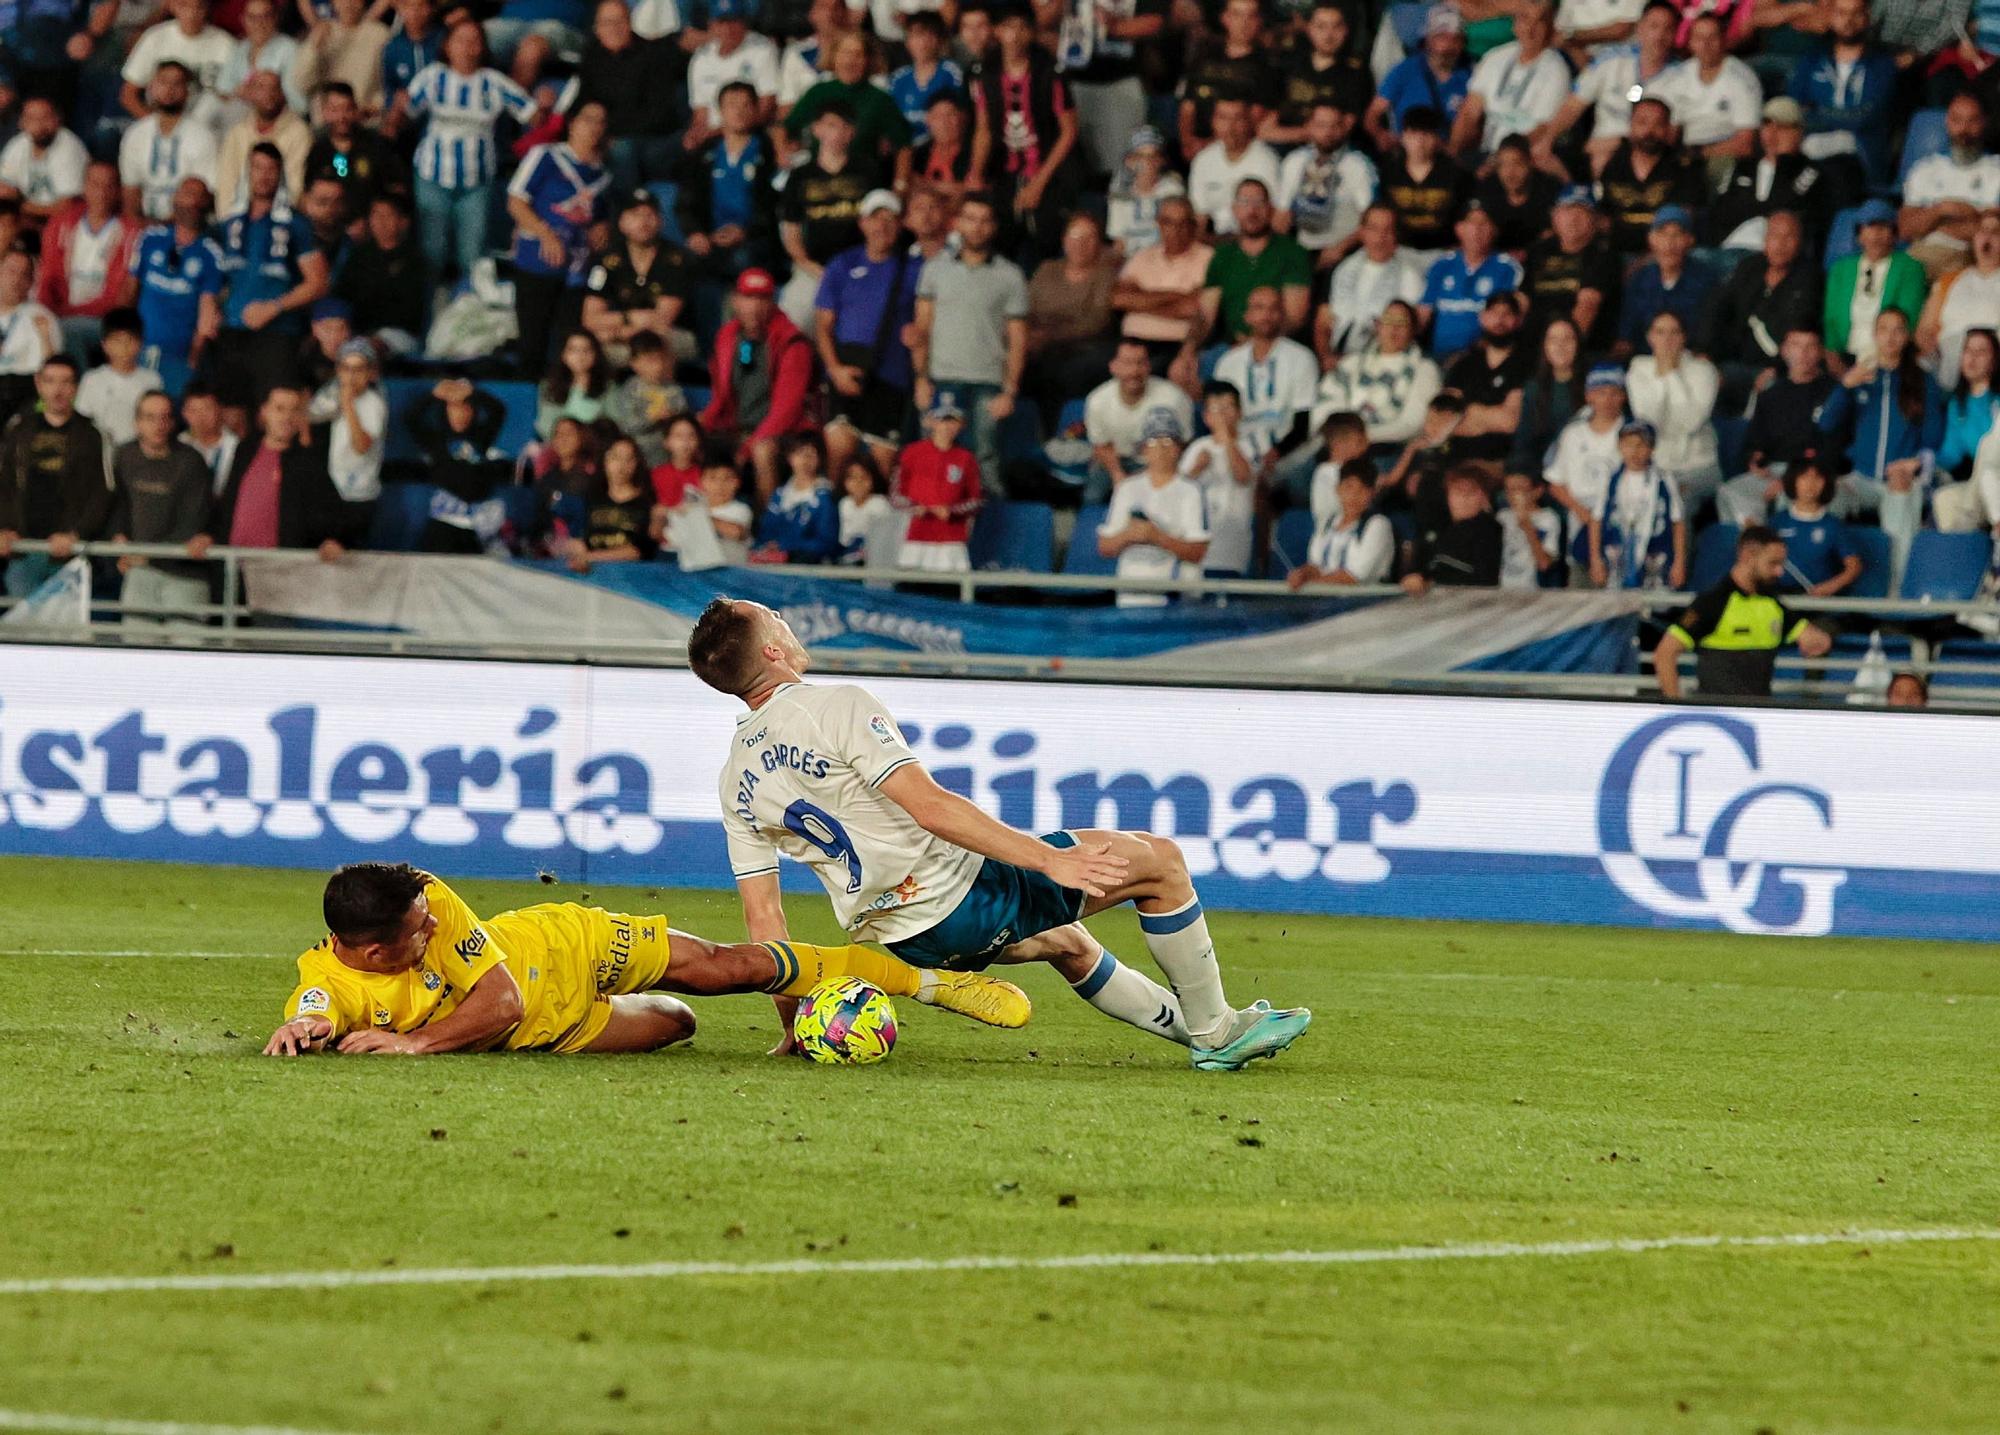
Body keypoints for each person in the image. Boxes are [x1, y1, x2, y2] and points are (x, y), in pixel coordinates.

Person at [686, 596, 1309, 1068]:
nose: (785, 621)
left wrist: (792, 1024)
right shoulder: (834, 706)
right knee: (1161, 862)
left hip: (909, 940)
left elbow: (764, 920)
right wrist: (1046, 859)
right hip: (962, 898)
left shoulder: (734, 777)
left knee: (1069, 944)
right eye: (773, 617)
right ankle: (1215, 1033)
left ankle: (1208, 1030)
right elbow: (931, 808)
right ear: (772, 652)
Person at [262, 863, 1025, 1057]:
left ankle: (927, 981)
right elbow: (313, 1011)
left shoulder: (428, 896)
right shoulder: (328, 981)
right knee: (678, 1023)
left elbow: (501, 1002)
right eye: (417, 929)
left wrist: (415, 1043)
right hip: (559, 1028)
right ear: (371, 950)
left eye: (429, 916)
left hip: (566, 944)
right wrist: (303, 1030)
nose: (432, 923)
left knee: (725, 967)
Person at [405, 20, 539, 287]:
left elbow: (532, 114)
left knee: (473, 254)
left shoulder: (494, 83)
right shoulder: (432, 77)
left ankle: (468, 304)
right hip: (432, 177)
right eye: (460, 41)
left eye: (474, 41)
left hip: (476, 183)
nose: (467, 48)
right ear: (448, 46)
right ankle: (432, 305)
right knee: (432, 252)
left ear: (482, 47)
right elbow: (406, 112)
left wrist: (544, 104)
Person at [911, 193, 1028, 498]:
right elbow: (922, 329)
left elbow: (1017, 339)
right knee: (935, 461)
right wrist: (921, 378)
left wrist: (1010, 390)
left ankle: (992, 526)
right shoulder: (934, 269)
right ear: (957, 222)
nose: (977, 227)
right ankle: (932, 525)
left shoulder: (1010, 276)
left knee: (986, 461)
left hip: (988, 383)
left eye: (985, 220)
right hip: (942, 378)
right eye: (970, 219)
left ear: (994, 227)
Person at [1818, 308, 1945, 585]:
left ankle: (1897, 593)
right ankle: (1823, 581)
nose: (1890, 337)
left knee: (1901, 500)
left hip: (1900, 478)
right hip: (1861, 478)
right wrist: (1845, 386)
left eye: (1898, 330)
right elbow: (1826, 424)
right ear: (1874, 335)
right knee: (1825, 496)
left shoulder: (1922, 380)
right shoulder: (1862, 377)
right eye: (1884, 329)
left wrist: (1914, 464)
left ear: (1907, 336)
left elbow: (1933, 436)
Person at [204, 144, 329, 413]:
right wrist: (210, 307)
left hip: (278, 334)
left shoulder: (296, 224)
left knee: (273, 413)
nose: (264, 175)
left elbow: (318, 282)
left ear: (280, 174)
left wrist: (274, 307)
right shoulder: (229, 222)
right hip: (232, 331)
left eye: (271, 169)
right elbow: (214, 276)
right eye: (257, 168)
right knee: (231, 414)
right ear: (247, 172)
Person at [1653, 524, 1834, 700]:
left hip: (1759, 714)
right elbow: (1664, 654)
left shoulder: (1772, 603)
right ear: (1748, 556)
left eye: (1781, 564)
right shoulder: (1713, 602)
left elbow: (1814, 638)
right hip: (1718, 715)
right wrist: (1675, 707)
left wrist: (1818, 641)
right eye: (1773, 563)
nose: (1780, 572)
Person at [815, 188, 922, 477]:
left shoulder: (914, 269)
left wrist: (919, 333)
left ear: (900, 225)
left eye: (890, 219)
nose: (882, 226)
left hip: (891, 375)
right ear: (862, 223)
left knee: (882, 467)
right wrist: (835, 370)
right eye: (875, 218)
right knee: (839, 450)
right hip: (846, 369)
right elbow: (823, 326)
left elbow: (927, 318)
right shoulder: (842, 264)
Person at [508, 100, 613, 375]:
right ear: (573, 124)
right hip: (537, 262)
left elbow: (600, 216)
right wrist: (546, 235)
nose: (595, 127)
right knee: (532, 344)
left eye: (601, 122)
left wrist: (603, 228)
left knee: (569, 347)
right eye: (588, 119)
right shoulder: (546, 156)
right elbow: (516, 201)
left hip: (576, 270)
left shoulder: (603, 175)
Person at [0, 356, 114, 600]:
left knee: (66, 624)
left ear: (76, 386)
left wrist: (76, 534)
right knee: (24, 623)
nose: (57, 390)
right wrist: (5, 528)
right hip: (22, 549)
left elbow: (103, 493)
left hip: (70, 553)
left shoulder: (93, 434)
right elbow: (5, 483)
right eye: (50, 381)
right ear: (38, 383)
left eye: (65, 382)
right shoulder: (18, 429)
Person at [701, 268, 815, 504]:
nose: (753, 306)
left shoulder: (792, 342)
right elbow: (720, 396)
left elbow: (786, 412)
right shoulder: (727, 336)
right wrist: (700, 424)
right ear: (735, 300)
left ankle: (766, 519)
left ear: (772, 302)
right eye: (748, 297)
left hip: (786, 434)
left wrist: (748, 447)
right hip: (738, 428)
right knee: (686, 435)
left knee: (762, 450)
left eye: (762, 299)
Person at [972, 1, 1077, 251]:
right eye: (1009, 27)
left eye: (1023, 27)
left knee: (1047, 234)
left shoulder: (1050, 72)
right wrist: (975, 173)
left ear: (1032, 32)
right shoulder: (985, 73)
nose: (1016, 35)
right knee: (999, 232)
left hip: (1049, 168)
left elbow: (1069, 131)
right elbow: (984, 129)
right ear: (997, 31)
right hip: (1004, 168)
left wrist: (1038, 183)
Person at [212, 383, 353, 557]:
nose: (287, 417)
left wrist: (332, 541)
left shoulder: (308, 463)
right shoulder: (244, 451)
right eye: (280, 409)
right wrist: (209, 536)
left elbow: (334, 515)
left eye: (295, 410)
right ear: (264, 411)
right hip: (234, 563)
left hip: (281, 566)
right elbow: (227, 503)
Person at [110, 388, 213, 626]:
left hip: (185, 573)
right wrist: (118, 537)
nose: (159, 425)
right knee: (136, 645)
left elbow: (194, 522)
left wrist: (145, 556)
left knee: (187, 647)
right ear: (136, 422)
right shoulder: (124, 456)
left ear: (173, 422)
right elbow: (117, 507)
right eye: (150, 417)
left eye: (165, 417)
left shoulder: (191, 461)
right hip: (139, 571)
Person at [1540, 0, 1678, 177]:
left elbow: (1671, 136)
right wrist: (1547, 141)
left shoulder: (1681, 76)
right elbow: (1573, 105)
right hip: (1596, 152)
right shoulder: (1610, 60)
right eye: (1654, 26)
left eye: (1668, 29)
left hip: (1645, 154)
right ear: (1640, 28)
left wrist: (1615, 143)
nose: (1659, 36)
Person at [560, 0, 685, 195]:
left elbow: (658, 114)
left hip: (648, 136)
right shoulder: (593, 54)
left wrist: (607, 132)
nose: (613, 29)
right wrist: (578, 126)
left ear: (630, 23)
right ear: (597, 28)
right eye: (606, 23)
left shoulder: (653, 55)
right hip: (603, 131)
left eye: (619, 21)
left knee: (621, 149)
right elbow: (584, 98)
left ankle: (625, 206)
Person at [1716, 325, 1836, 525]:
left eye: (1810, 346)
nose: (1803, 353)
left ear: (1821, 351)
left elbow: (1834, 444)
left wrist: (1790, 478)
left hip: (1812, 471)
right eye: (1796, 345)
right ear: (1784, 350)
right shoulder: (1771, 394)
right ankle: (1755, 539)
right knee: (1729, 492)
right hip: (1773, 470)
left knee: (1790, 494)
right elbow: (1755, 440)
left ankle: (1781, 542)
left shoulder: (1834, 393)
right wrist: (1755, 458)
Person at [777, 100, 880, 329]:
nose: (837, 132)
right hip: (812, 268)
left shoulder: (868, 171)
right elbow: (791, 232)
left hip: (861, 266)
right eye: (831, 125)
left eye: (844, 126)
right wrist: (812, 267)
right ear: (817, 129)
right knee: (792, 321)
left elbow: (881, 223)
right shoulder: (800, 176)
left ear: (852, 133)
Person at [1097, 407, 1209, 605]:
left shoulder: (1190, 491)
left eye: (1168, 442)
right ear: (1143, 449)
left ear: (1179, 448)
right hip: (1130, 595)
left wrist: (1157, 536)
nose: (1160, 449)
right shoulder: (1127, 488)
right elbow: (1105, 547)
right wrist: (1129, 535)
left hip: (1172, 597)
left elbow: (1197, 551)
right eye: (1153, 442)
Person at [127, 179, 226, 401]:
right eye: (187, 193)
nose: (192, 201)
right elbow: (129, 290)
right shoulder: (150, 238)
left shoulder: (211, 253)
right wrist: (124, 336)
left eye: (198, 195)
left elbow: (208, 309)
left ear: (206, 203)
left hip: (178, 354)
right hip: (141, 346)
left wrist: (194, 356)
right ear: (174, 198)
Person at [1706, 98, 1846, 253]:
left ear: (1799, 132)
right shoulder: (1743, 167)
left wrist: (1785, 161)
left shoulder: (1811, 171)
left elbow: (1786, 209)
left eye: (1782, 127)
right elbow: (1721, 212)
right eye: (1767, 125)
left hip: (1775, 255)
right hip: (1728, 250)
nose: (1772, 134)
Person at [675, 81, 782, 281]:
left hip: (753, 240)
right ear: (720, 111)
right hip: (710, 238)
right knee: (682, 262)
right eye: (732, 105)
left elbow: (774, 205)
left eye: (746, 105)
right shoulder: (703, 154)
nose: (739, 112)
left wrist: (745, 232)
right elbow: (685, 201)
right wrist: (695, 233)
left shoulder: (769, 152)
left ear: (756, 109)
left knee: (743, 259)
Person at [1787, 0, 1897, 193]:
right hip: (1811, 151)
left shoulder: (1882, 64)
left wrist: (1817, 113)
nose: (1848, 20)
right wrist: (1834, 117)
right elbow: (1795, 108)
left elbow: (1865, 117)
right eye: (1841, 13)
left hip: (1860, 158)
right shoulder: (1813, 59)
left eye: (1856, 13)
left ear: (1867, 16)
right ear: (1830, 15)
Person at [1709, 210, 1820, 401]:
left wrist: (1777, 368)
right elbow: (1718, 310)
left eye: (1789, 237)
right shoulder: (1748, 267)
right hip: (1733, 361)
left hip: (1777, 369)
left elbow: (1801, 327)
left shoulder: (1810, 278)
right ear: (1765, 239)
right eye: (1775, 236)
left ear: (1800, 242)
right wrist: (1706, 354)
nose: (1781, 244)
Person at [1025, 212, 1120, 432]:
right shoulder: (1047, 269)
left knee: (1062, 372)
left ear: (1098, 242)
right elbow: (1028, 308)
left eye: (1089, 237)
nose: (1081, 244)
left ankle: (1059, 432)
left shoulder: (1104, 274)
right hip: (1038, 342)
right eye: (1075, 236)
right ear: (1064, 240)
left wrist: (1049, 335)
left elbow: (1096, 320)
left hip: (1082, 347)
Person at [38, 162, 140, 365]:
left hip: (105, 320)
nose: (101, 193)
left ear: (118, 191)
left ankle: (78, 384)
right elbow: (48, 278)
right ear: (84, 187)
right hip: (61, 313)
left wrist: (66, 314)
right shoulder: (61, 225)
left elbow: (119, 296)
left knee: (68, 330)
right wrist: (47, 312)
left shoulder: (131, 232)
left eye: (109, 186)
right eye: (95, 184)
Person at [581, 189, 693, 368]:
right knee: (586, 347)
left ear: (661, 221)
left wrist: (617, 333)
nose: (643, 222)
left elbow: (662, 319)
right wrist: (630, 317)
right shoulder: (606, 260)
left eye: (649, 215)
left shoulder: (675, 259)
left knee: (655, 348)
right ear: (621, 222)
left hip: (665, 336)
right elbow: (591, 318)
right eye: (635, 215)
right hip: (625, 334)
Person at [1310, 300, 1443, 450]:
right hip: (1338, 443)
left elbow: (1412, 423)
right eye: (1388, 320)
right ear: (1378, 326)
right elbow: (1325, 402)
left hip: (1388, 448)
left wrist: (1361, 438)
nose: (1394, 328)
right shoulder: (1352, 362)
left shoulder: (1424, 369)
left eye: (1401, 322)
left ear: (1413, 329)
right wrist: (1341, 436)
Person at [1212, 285, 1319, 463]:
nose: (1266, 315)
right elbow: (1219, 419)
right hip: (1239, 453)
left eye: (1273, 309)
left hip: (1288, 454)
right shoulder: (1228, 363)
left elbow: (1302, 423)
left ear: (1282, 315)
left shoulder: (1302, 358)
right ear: (1247, 316)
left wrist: (1274, 456)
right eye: (1259, 308)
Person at [1625, 310, 1721, 507]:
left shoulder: (1703, 370)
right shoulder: (1638, 368)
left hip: (1698, 466)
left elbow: (1691, 422)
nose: (1667, 339)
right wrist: (1662, 378)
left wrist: (1670, 373)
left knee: (1674, 503)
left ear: (1683, 337)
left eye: (1674, 332)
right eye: (1660, 332)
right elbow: (1648, 423)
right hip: (1655, 466)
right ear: (1650, 337)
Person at [1899, 95, 2000, 282]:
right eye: (1957, 120)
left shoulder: (1996, 171)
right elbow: (1906, 230)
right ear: (1947, 122)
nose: (1963, 129)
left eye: (1972, 121)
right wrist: (1942, 209)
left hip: (1971, 255)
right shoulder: (1924, 169)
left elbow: (1991, 231)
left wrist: (1934, 224)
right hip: (1921, 254)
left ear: (1984, 123)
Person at [1451, 1, 1569, 161]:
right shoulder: (1495, 57)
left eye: (1539, 22)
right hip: (1486, 152)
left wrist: (1500, 161)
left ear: (1550, 28)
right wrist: (1452, 153)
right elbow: (1469, 112)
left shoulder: (1556, 70)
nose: (1530, 29)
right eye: (1524, 19)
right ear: (1514, 25)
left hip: (1522, 159)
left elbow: (1541, 130)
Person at [1649, 11, 1761, 173]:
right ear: (1690, 42)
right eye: (1699, 38)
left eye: (1712, 37)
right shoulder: (1679, 77)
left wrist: (1699, 153)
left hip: (1725, 157)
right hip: (1685, 154)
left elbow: (1745, 144)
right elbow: (1670, 131)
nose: (1705, 44)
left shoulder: (1743, 79)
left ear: (1724, 40)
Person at [1824, 199, 1929, 370]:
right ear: (1859, 234)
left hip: (1888, 357)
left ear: (1894, 234)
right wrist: (1835, 360)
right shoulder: (1841, 269)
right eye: (1870, 226)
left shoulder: (1910, 268)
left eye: (1883, 227)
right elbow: (1831, 319)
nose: (1876, 234)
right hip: (1845, 357)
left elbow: (1907, 318)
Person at [1084, 338, 1195, 499]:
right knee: (1092, 498)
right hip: (1116, 461)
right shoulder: (1097, 400)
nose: (1134, 371)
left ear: (1149, 366)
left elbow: (1182, 443)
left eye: (1140, 363)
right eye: (1127, 363)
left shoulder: (1174, 398)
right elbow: (1101, 445)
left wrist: (1149, 475)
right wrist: (1118, 475)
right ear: (1113, 366)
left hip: (1160, 461)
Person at [1111, 196, 1212, 371]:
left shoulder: (1208, 258)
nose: (1176, 230)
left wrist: (1140, 302)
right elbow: (1119, 299)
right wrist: (1179, 296)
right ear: (1159, 224)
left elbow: (1192, 308)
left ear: (1192, 225)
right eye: (1168, 222)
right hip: (1130, 342)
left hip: (1176, 344)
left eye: (1182, 223)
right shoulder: (1142, 256)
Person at [1597, 98, 1707, 259]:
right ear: (1630, 126)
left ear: (1668, 129)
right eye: (1642, 122)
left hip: (1666, 257)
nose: (1649, 131)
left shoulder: (1684, 168)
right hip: (1617, 254)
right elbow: (1603, 218)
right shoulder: (1613, 165)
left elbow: (1684, 221)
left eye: (1658, 124)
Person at [411, 375, 511, 553]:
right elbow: (411, 418)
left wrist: (471, 393)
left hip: (476, 524)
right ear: (445, 410)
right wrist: (434, 395)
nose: (459, 414)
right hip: (444, 522)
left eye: (465, 407)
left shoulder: (482, 437)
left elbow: (498, 410)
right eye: (453, 407)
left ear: (473, 411)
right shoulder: (435, 440)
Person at [788, 32, 912, 174]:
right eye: (845, 53)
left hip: (863, 176)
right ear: (834, 56)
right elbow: (785, 127)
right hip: (818, 176)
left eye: (858, 55)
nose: (850, 60)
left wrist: (901, 180)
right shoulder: (817, 92)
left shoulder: (881, 99)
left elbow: (904, 145)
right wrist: (784, 151)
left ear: (868, 60)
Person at [1545, 363, 1630, 568]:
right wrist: (1582, 512)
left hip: (1622, 525)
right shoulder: (1572, 434)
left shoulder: (1633, 433)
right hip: (1580, 525)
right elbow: (1555, 483)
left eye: (1614, 393)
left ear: (1623, 396)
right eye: (1601, 393)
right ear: (1589, 396)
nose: (1607, 400)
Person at [1273, 102, 1377, 267]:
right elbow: (1282, 214)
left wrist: (1339, 249)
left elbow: (1371, 220)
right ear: (1309, 126)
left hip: (1345, 251)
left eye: (1334, 126)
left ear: (1344, 128)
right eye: (1321, 125)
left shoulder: (1358, 165)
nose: (1328, 132)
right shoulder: (1295, 161)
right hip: (1301, 249)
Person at [1318, 204, 1426, 362]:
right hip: (1336, 358)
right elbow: (1322, 323)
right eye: (1373, 229)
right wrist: (1326, 357)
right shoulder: (1340, 269)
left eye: (1387, 230)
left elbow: (1408, 330)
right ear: (1362, 232)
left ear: (1396, 235)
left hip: (1382, 360)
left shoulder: (1410, 277)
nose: (1380, 237)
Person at [1588, 417, 1686, 589]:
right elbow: (1596, 519)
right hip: (1617, 557)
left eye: (1640, 445)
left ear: (1651, 448)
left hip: (1655, 557)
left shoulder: (1664, 480)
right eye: (1628, 445)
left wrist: (1679, 562)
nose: (1634, 451)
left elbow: (1677, 522)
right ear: (1619, 446)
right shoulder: (1610, 480)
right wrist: (1595, 559)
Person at [1418, 201, 1522, 361]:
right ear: (1459, 228)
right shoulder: (1442, 265)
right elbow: (1423, 314)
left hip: (1482, 358)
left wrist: (1468, 357)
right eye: (1472, 223)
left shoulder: (1507, 268)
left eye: (1484, 223)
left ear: (1494, 229)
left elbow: (1508, 320)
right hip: (1437, 357)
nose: (1477, 230)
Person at [120, 63, 220, 224]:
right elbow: (130, 190)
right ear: (151, 87)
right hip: (144, 225)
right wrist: (138, 225)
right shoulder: (135, 133)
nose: (169, 89)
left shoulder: (202, 136)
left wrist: (166, 227)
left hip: (187, 227)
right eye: (163, 82)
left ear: (188, 91)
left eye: (177, 83)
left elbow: (203, 194)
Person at [333, 193, 428, 358]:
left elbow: (411, 312)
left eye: (388, 215)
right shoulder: (359, 255)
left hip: (399, 335)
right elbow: (342, 294)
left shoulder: (414, 260)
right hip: (357, 331)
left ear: (403, 222)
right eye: (376, 215)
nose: (380, 222)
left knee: (366, 349)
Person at [1179, 380, 1260, 574]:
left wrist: (1226, 439)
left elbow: (1243, 476)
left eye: (1228, 407)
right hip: (1198, 541)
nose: (1222, 414)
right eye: (1216, 409)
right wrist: (1197, 468)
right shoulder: (1197, 447)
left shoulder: (1250, 445)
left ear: (1239, 413)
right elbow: (1178, 489)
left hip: (1232, 543)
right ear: (1206, 416)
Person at [121, 0, 236, 137]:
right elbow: (128, 95)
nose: (192, 13)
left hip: (207, 129)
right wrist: (159, 127)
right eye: (184, 6)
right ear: (173, 6)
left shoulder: (225, 44)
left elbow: (232, 98)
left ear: (207, 9)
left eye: (199, 7)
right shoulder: (155, 37)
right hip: (158, 125)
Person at [1443, 291, 1530, 468]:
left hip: (1501, 462)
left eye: (1507, 314)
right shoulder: (1463, 364)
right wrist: (1490, 416)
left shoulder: (1526, 364)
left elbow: (1509, 421)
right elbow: (1442, 419)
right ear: (1482, 317)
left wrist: (1468, 411)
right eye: (1494, 313)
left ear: (1519, 320)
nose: (1500, 320)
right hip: (1455, 459)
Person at [1266, 2, 1370, 149]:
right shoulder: (1291, 64)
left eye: (1336, 27)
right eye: (1321, 26)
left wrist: (1300, 134)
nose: (1329, 35)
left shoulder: (1355, 73)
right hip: (1285, 146)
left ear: (1345, 30)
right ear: (1309, 29)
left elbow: (1344, 128)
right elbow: (1266, 128)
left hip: (1331, 149)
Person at [1616, 206, 1716, 358]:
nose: (1669, 244)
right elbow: (1626, 335)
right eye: (1662, 234)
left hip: (1688, 359)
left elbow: (1709, 334)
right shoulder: (1639, 280)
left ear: (1690, 240)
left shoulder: (1706, 280)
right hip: (1646, 360)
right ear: (1651, 239)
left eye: (1677, 235)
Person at [894, 398, 981, 572]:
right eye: (942, 420)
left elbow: (976, 500)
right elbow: (895, 494)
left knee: (950, 583)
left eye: (953, 421)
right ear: (931, 422)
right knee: (911, 581)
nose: (947, 427)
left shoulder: (966, 458)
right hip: (915, 535)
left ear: (962, 425)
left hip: (951, 538)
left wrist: (951, 511)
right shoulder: (912, 452)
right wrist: (914, 507)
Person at [306, 336, 385, 527]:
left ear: (371, 373)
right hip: (332, 488)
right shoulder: (333, 394)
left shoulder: (374, 403)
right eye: (346, 369)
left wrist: (348, 405)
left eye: (358, 369)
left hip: (359, 494)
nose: (351, 376)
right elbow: (310, 415)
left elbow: (362, 447)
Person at [1178, 0, 1272, 157]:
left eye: (1251, 16)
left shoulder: (1267, 65)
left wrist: (1210, 147)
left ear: (1259, 21)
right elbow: (1187, 106)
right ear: (1225, 18)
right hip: (1193, 146)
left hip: (1236, 150)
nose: (1244, 23)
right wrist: (1187, 142)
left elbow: (1255, 117)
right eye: (1237, 15)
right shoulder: (1204, 55)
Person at [305, 81, 406, 225]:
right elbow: (308, 194)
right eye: (335, 110)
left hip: (371, 228)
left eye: (347, 109)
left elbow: (396, 188)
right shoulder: (318, 151)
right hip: (330, 227)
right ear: (325, 112)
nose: (342, 117)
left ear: (356, 109)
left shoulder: (376, 145)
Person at [1375, 106, 1470, 260]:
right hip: (1399, 251)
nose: (1419, 142)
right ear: (1403, 137)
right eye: (1413, 134)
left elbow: (1466, 216)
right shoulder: (1389, 172)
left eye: (1426, 134)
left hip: (1443, 251)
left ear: (1437, 138)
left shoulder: (1456, 175)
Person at [1918, 210, 2000, 388]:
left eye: (1995, 232)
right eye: (1982, 231)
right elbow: (1925, 330)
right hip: (1949, 363)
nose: (1987, 238)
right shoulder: (1949, 281)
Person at [1369, 5, 1470, 146]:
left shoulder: (1471, 74)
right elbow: (1373, 114)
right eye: (1441, 37)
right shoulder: (1405, 70)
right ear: (1428, 39)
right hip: (1408, 149)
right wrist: (1383, 138)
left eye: (1455, 39)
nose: (1447, 46)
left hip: (1448, 151)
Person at [214, 71, 310, 215]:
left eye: (274, 88)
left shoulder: (299, 132)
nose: (268, 94)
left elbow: (295, 185)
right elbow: (226, 181)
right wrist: (229, 219)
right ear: (251, 94)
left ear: (282, 93)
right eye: (261, 88)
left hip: (282, 217)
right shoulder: (237, 133)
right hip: (236, 217)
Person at [1288, 457, 1391, 587]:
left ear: (1373, 493)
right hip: (1324, 595)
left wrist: (1311, 584)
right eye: (1349, 487)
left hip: (1364, 598)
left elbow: (1354, 577)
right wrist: (1302, 574)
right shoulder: (1328, 523)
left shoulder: (1378, 524)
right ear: (1338, 489)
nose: (1354, 496)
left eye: (1363, 490)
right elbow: (1315, 565)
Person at [1185, 98, 1279, 239]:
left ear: (1248, 121)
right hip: (1214, 239)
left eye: (1237, 118)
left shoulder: (1266, 160)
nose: (1230, 127)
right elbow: (1199, 216)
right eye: (1223, 118)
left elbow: (1274, 215)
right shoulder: (1203, 160)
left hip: (1253, 239)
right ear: (1213, 121)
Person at [684, 0, 782, 133]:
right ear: (711, 25)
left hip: (749, 131)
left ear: (744, 23)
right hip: (711, 135)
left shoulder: (762, 50)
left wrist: (724, 131)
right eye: (721, 22)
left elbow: (766, 106)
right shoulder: (701, 58)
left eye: (733, 21)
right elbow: (700, 114)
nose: (727, 29)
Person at [1401, 464, 1502, 592]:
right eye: (1458, 492)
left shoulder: (1490, 531)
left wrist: (1431, 582)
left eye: (1471, 492)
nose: (1464, 498)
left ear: (1485, 497)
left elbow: (1484, 578)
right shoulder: (1440, 530)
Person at [1772, 454, 1862, 596]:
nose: (1810, 484)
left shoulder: (1833, 525)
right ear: (1792, 481)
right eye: (1804, 477)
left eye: (1817, 478)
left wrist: (1830, 587)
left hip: (1818, 599)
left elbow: (1854, 566)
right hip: (1780, 596)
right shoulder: (1777, 522)